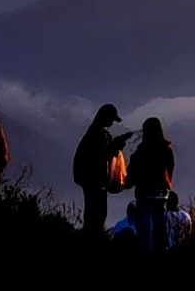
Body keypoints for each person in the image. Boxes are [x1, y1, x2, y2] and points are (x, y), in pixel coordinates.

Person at [73, 104, 133, 238]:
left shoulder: (94, 133)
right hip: (95, 180)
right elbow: (102, 155)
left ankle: (91, 238)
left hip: (92, 180)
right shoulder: (98, 135)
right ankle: (93, 239)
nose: (112, 122)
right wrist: (116, 145)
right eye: (111, 119)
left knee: (94, 213)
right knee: (97, 214)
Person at [124, 115, 178, 255]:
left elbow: (132, 171)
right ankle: (162, 251)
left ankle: (146, 254)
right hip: (161, 192)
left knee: (145, 227)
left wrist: (127, 181)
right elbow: (170, 170)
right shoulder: (167, 150)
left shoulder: (141, 151)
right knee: (160, 224)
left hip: (144, 192)